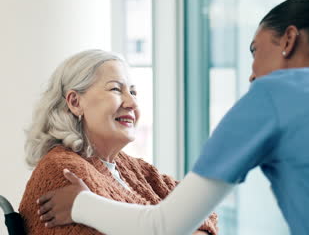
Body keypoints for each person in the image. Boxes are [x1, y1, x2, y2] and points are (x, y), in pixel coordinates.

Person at [38, 0, 309, 234]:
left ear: (288, 40)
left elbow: (165, 226)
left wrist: (81, 204)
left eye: (254, 52)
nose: (250, 75)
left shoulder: (275, 93)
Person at [19, 49, 218, 235]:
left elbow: (202, 209)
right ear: (75, 102)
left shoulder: (131, 167)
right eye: (115, 89)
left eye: (133, 92)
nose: (132, 103)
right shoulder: (62, 171)